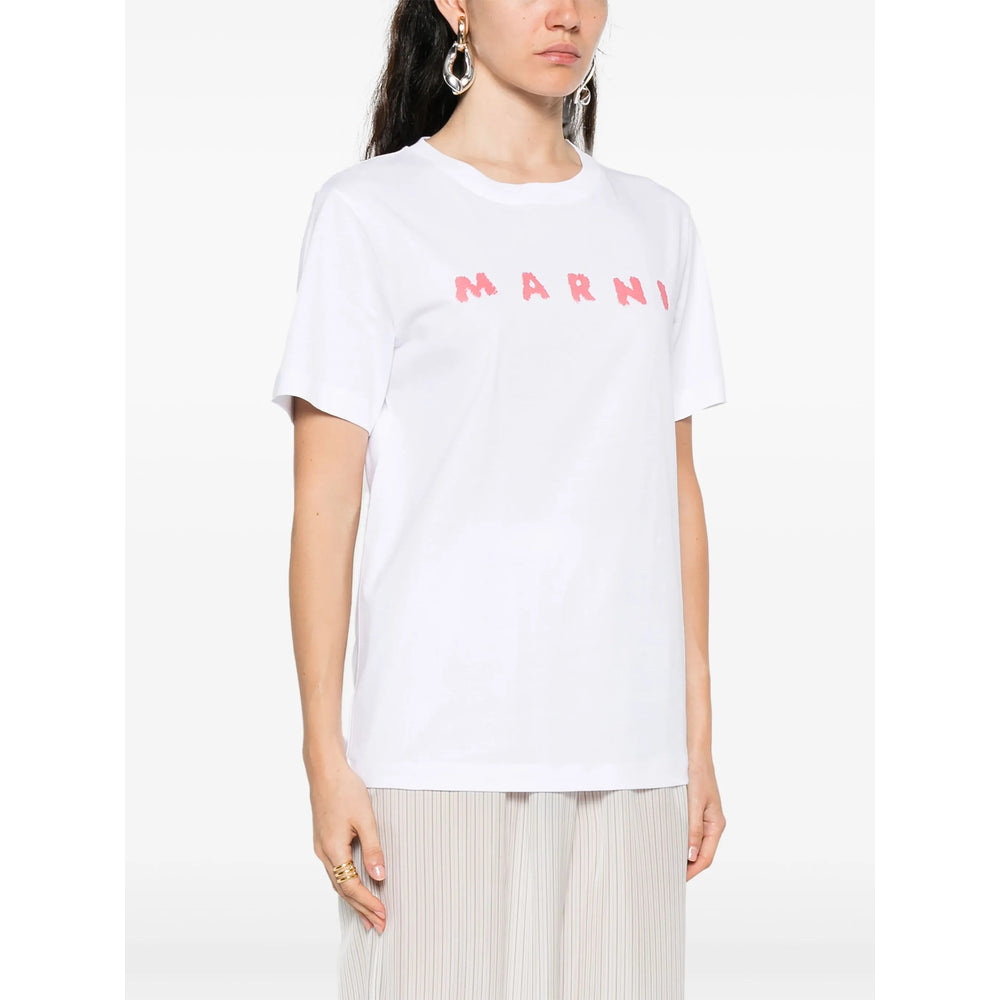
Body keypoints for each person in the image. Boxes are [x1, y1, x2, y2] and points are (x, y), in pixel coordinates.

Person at [271, 1, 727, 997]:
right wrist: (324, 755)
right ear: (456, 6)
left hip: (629, 746)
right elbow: (325, 504)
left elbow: (675, 488)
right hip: (437, 742)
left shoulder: (657, 224)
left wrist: (696, 737)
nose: (566, 14)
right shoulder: (370, 213)